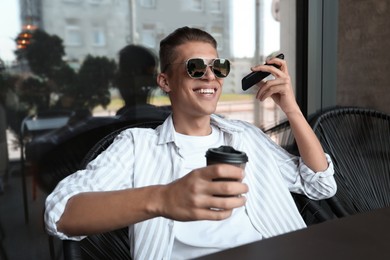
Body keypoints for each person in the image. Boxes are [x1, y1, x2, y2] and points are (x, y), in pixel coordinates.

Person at [45, 26, 336, 259]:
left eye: (218, 67)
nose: (210, 76)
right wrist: (162, 199)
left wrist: (292, 108)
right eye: (195, 67)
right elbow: (61, 214)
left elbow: (319, 184)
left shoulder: (246, 136)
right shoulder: (137, 146)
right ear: (165, 81)